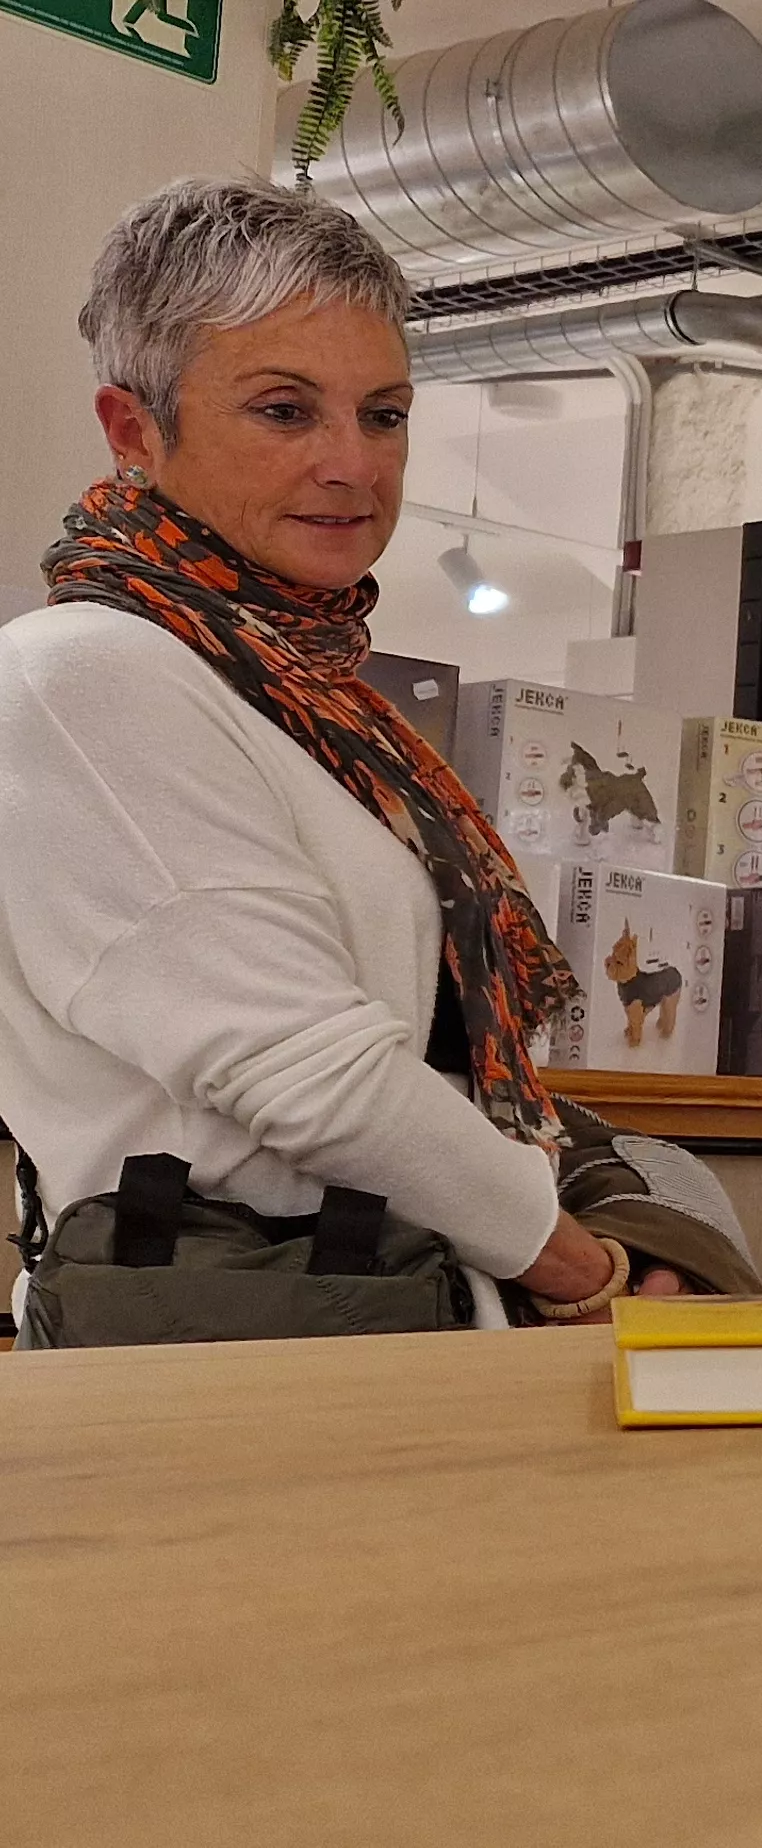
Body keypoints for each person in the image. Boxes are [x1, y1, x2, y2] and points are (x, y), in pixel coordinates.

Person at [0, 177, 672, 1327]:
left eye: (384, 414)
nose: (353, 463)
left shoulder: (301, 693)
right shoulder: (87, 674)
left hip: (380, 1309)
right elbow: (312, 1076)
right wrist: (585, 1273)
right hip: (245, 1344)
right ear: (134, 429)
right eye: (285, 411)